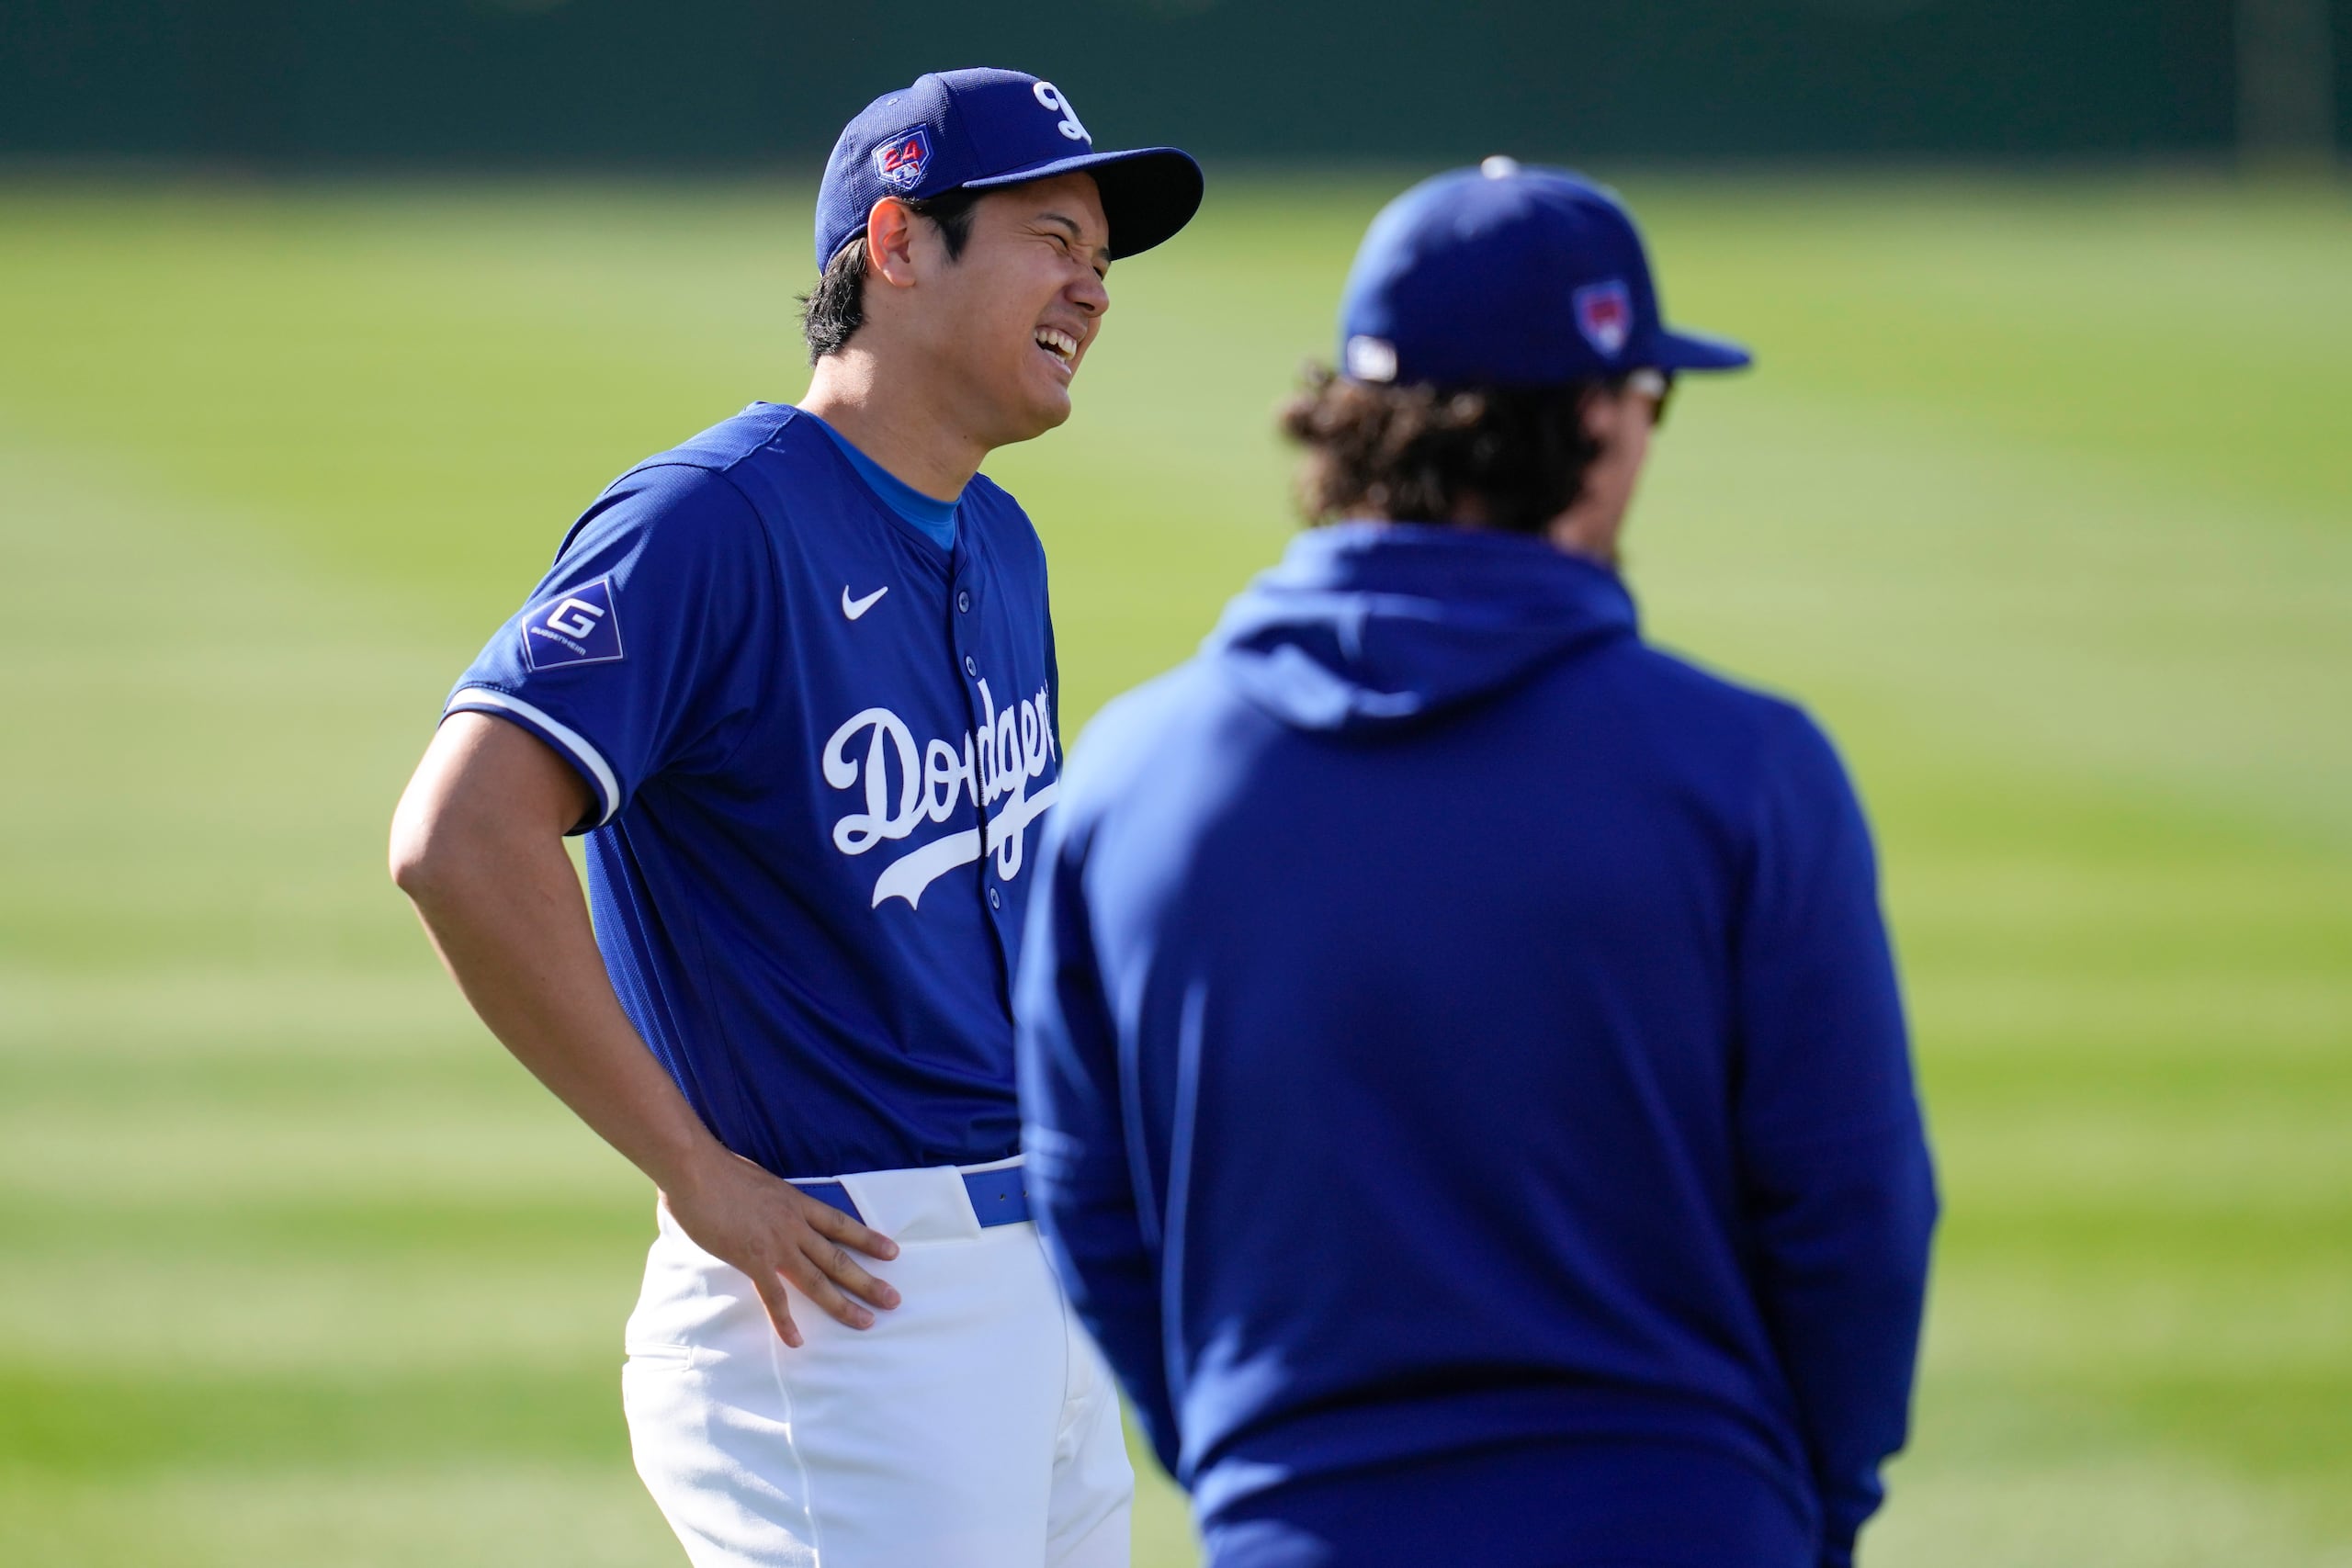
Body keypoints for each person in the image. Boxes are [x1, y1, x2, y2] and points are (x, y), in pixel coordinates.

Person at [1013, 161, 1937, 1568]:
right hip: (1688, 1524)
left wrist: (1250, 1469)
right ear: (1596, 418)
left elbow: (1090, 1201)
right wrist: (1814, 1513)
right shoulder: (1747, 770)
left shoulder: (1128, 780)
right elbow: (1854, 1214)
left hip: (1301, 1524)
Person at [388, 68, 1201, 1568]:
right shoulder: (711, 520)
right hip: (848, 1305)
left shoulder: (999, 537)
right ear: (897, 245)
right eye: (1052, 235)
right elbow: (459, 835)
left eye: (1102, 255)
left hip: (1039, 1284)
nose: (1092, 286)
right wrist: (695, 1175)